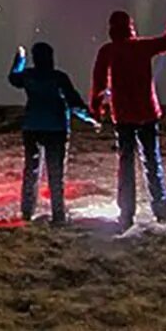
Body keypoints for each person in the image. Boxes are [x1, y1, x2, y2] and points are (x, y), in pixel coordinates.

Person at [90, 7, 166, 231]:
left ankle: (126, 213)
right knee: (152, 162)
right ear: (130, 26)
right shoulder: (142, 46)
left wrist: (96, 109)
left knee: (126, 165)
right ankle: (161, 212)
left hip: (123, 116)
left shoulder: (108, 51)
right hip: (147, 113)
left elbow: (99, 83)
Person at [7, 41, 97, 225]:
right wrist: (91, 119)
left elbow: (13, 78)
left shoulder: (29, 75)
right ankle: (58, 215)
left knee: (31, 172)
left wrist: (20, 59)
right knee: (56, 174)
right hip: (56, 129)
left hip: (32, 127)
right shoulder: (59, 78)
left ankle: (27, 213)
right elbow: (74, 103)